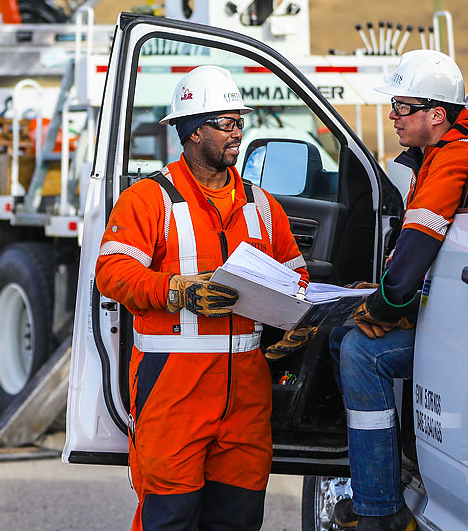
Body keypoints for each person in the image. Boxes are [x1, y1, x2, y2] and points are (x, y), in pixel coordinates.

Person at [95, 65, 309, 530]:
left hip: (246, 396)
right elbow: (112, 273)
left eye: (240, 122)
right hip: (173, 393)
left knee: (238, 519)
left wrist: (299, 316)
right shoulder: (149, 199)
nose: (238, 132)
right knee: (169, 519)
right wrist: (177, 289)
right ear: (193, 131)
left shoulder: (262, 205)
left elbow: (296, 276)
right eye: (227, 123)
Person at [329, 50, 468, 530]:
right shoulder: (438, 155)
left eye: (402, 107)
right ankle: (390, 466)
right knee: (340, 337)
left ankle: (380, 510)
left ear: (436, 115)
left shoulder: (454, 157)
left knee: (360, 352)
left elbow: (419, 245)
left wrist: (384, 303)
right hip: (451, 307)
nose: (393, 116)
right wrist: (384, 293)